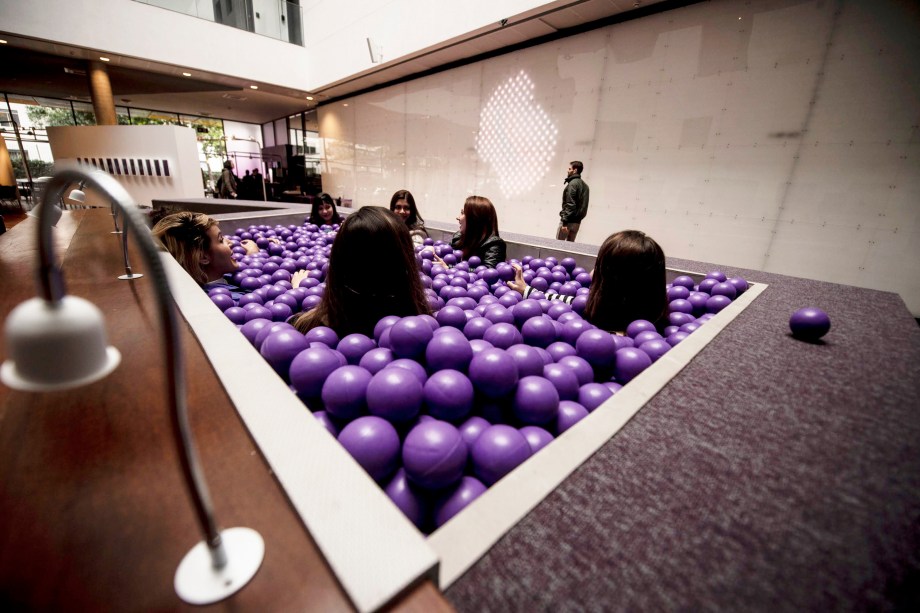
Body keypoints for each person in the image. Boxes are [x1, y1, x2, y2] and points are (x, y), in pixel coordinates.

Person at [290, 206, 430, 337]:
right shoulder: (425, 329)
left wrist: (297, 291)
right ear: (407, 266)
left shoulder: (306, 329)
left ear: (338, 265)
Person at [507, 230, 667, 333]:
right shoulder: (598, 306)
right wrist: (527, 290)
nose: (592, 271)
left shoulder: (607, 333)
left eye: (599, 265)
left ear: (611, 282)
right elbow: (564, 300)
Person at [152, 211, 306, 299]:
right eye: (221, 240)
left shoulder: (218, 280)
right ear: (203, 257)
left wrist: (254, 253)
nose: (230, 242)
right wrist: (297, 290)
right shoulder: (225, 299)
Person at [440, 195, 506, 269]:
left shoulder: (494, 245)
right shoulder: (459, 237)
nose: (458, 217)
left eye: (462, 213)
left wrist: (450, 268)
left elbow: (486, 274)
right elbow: (445, 256)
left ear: (474, 219)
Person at [557, 160, 589, 242]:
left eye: (569, 168)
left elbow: (570, 204)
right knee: (570, 248)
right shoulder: (585, 186)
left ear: (575, 170)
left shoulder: (572, 184)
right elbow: (584, 207)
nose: (567, 170)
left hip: (568, 223)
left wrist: (564, 223)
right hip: (577, 223)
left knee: (558, 247)